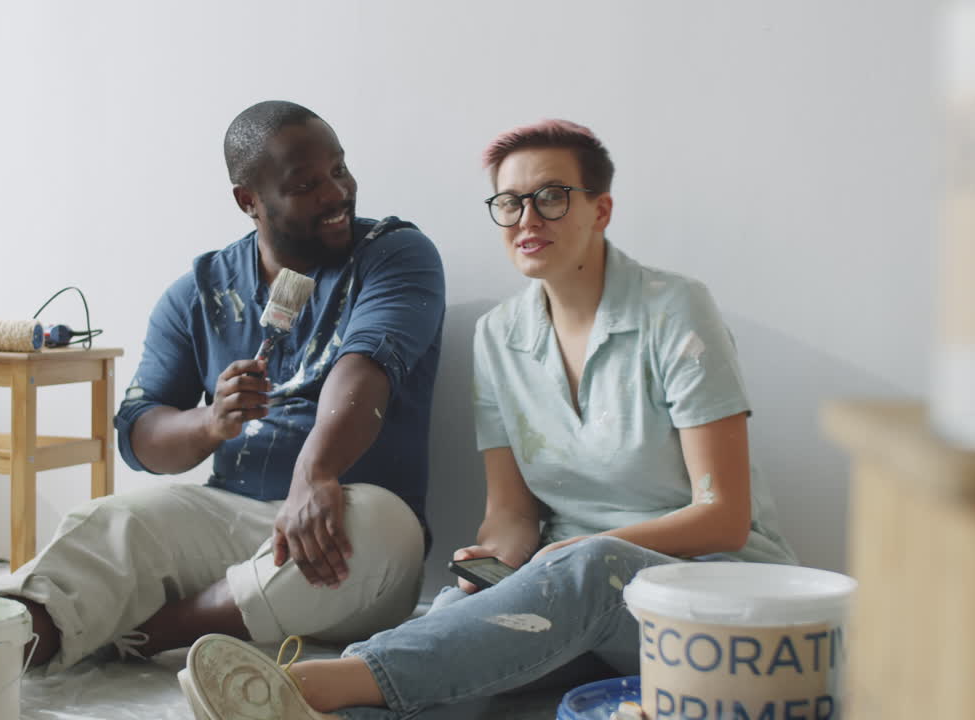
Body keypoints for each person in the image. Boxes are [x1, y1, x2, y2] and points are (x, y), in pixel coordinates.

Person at [178, 119, 797, 719]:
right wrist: (496, 562)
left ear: (601, 211)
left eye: (551, 197)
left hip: (708, 603)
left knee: (585, 571)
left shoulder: (675, 310)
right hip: (569, 594)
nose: (527, 218)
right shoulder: (500, 336)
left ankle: (313, 683)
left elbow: (723, 517)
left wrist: (576, 553)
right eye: (509, 202)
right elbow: (513, 514)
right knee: (455, 624)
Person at [0, 100, 447, 671]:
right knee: (110, 522)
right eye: (306, 185)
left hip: (345, 524)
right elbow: (141, 438)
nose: (337, 193)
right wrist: (209, 423)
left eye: (339, 169)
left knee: (385, 529)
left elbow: (362, 369)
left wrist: (315, 474)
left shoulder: (394, 254)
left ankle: (147, 633)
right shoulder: (199, 293)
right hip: (232, 514)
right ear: (248, 200)